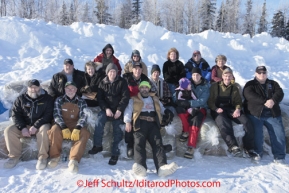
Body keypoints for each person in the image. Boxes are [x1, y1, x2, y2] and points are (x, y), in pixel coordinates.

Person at [124, 81, 178, 177]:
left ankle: (162, 167)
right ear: (140, 89)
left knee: (158, 143)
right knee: (139, 143)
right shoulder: (134, 99)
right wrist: (127, 122)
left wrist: (167, 112)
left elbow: (162, 108)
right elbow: (128, 110)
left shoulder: (155, 99)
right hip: (140, 123)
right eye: (142, 87)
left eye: (146, 87)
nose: (144, 89)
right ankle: (141, 167)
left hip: (153, 123)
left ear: (149, 89)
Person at [207, 68, 258, 158]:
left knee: (247, 122)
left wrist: (238, 109)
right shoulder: (215, 86)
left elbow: (238, 101)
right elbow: (210, 101)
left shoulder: (234, 88)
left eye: (229, 76)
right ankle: (233, 146)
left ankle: (249, 148)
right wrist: (215, 108)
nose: (227, 78)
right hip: (218, 109)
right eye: (225, 76)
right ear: (222, 76)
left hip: (231, 109)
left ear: (232, 77)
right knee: (224, 123)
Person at [4, 79, 53, 169]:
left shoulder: (47, 99)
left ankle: (42, 157)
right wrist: (22, 127)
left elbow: (48, 115)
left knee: (45, 129)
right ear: (28, 88)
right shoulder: (21, 99)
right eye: (31, 87)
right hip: (25, 125)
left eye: (36, 87)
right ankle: (14, 156)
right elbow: (15, 114)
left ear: (40, 87)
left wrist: (35, 126)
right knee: (9, 131)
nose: (33, 89)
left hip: (41, 125)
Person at [88, 63, 130, 165]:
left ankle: (115, 153)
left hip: (118, 110)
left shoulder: (122, 82)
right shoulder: (102, 83)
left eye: (114, 71)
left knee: (117, 129)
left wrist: (120, 110)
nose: (112, 73)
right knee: (99, 122)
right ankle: (98, 145)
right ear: (107, 73)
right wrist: (106, 109)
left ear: (117, 72)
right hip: (106, 109)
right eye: (110, 71)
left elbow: (125, 97)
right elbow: (100, 99)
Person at [243, 66, 286, 163]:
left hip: (272, 114)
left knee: (278, 133)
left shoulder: (273, 83)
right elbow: (249, 95)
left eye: (264, 72)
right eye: (259, 73)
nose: (262, 74)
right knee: (257, 133)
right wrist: (265, 101)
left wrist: (273, 100)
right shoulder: (250, 84)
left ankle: (279, 156)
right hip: (255, 114)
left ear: (266, 73)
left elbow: (280, 93)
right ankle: (257, 153)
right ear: (255, 73)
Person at [47, 81, 90, 173]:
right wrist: (63, 127)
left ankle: (74, 159)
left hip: (75, 123)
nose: (70, 90)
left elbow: (84, 115)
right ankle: (55, 157)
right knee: (54, 130)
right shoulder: (59, 100)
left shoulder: (81, 101)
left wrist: (78, 128)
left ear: (76, 90)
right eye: (68, 88)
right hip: (62, 123)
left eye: (72, 89)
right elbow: (57, 115)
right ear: (65, 90)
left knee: (84, 133)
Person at [175, 68, 210, 159]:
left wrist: (189, 103)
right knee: (179, 110)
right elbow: (178, 92)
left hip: (200, 108)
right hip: (187, 108)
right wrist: (179, 101)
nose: (195, 77)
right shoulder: (187, 82)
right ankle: (186, 131)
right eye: (194, 75)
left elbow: (202, 100)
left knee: (195, 120)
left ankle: (191, 146)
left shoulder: (205, 86)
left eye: (197, 75)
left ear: (201, 75)